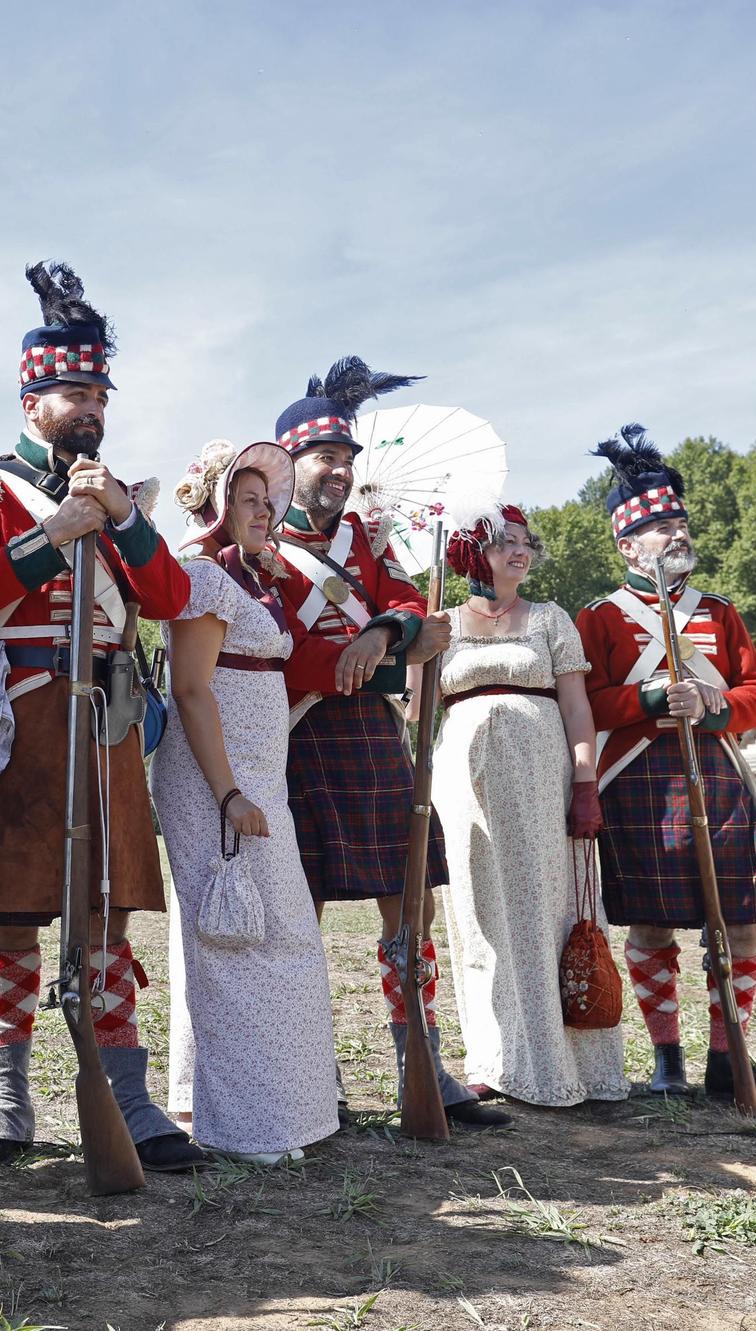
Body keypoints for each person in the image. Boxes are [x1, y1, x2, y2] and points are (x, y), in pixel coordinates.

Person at [0, 261, 206, 1173]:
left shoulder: (123, 494)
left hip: (109, 717)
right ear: (31, 395)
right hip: (22, 717)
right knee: (9, 919)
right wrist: (54, 534)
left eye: (97, 391)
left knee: (105, 922)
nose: (88, 405)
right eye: (71, 390)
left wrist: (118, 519)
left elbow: (167, 596)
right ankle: (6, 1100)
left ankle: (127, 1096)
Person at [270, 358, 510, 1129]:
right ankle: (313, 1071)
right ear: (289, 462)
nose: (339, 470)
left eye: (346, 457)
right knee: (298, 911)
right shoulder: (263, 540)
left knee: (408, 905)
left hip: (373, 736)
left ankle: (421, 1061)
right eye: (324, 457)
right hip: (300, 735)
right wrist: (355, 661)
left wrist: (383, 629)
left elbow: (405, 603)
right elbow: (268, 644)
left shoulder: (369, 540)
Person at [576, 425, 756, 1109]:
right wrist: (647, 697)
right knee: (651, 923)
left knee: (739, 921)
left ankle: (729, 1057)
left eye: (678, 521)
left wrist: (714, 704)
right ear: (626, 543)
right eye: (659, 526)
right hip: (641, 778)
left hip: (718, 771)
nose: (676, 534)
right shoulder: (600, 618)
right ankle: (667, 1058)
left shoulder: (720, 613)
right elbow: (586, 701)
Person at [152, 440, 339, 1164]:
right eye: (250, 500)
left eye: (270, 502)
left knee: (275, 931)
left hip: (264, 772)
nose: (265, 513)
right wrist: (228, 792)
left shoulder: (256, 580)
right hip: (216, 778)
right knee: (236, 938)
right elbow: (193, 689)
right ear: (219, 503)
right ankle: (248, 1126)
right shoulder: (201, 574)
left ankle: (267, 1111)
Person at [431, 504, 629, 1107]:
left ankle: (564, 1062)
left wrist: (585, 779)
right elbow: (417, 714)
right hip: (463, 783)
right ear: (472, 553)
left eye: (525, 542)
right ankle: (496, 1058)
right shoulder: (440, 621)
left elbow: (576, 708)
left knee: (545, 907)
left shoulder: (550, 619)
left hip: (542, 778)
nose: (520, 551)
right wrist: (418, 644)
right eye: (504, 542)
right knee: (477, 910)